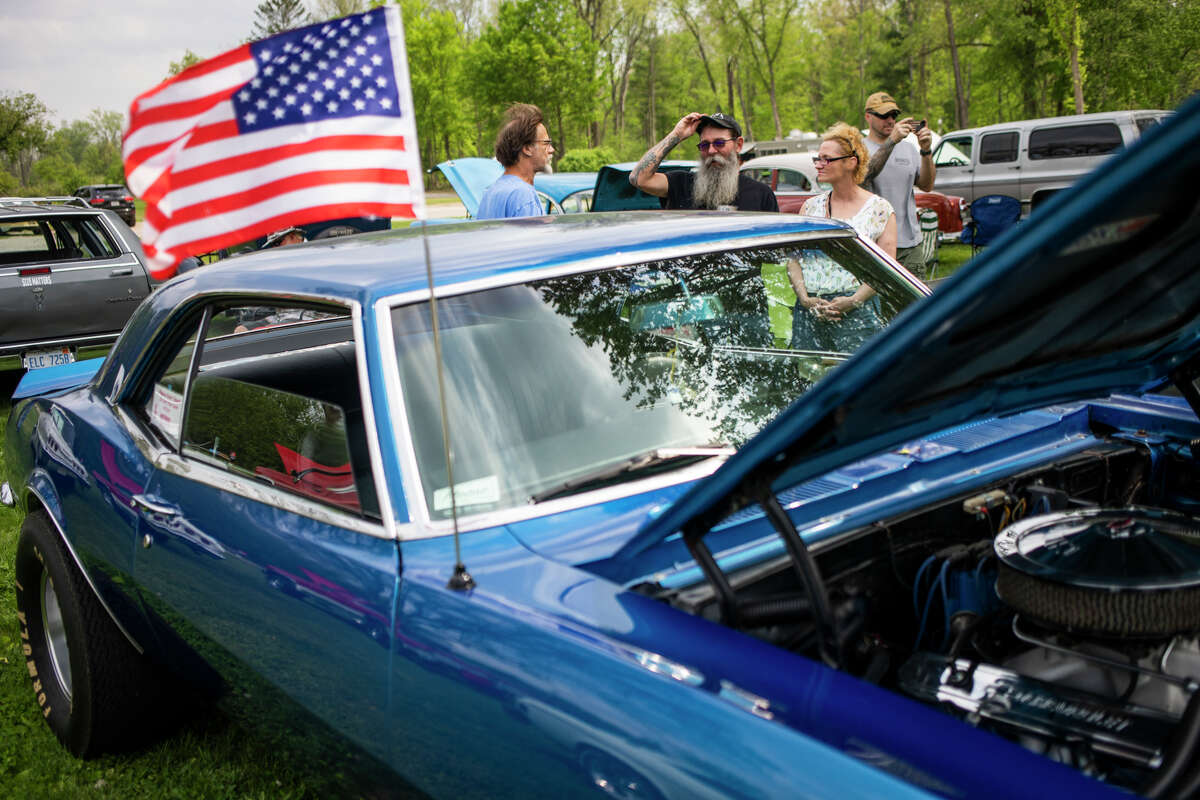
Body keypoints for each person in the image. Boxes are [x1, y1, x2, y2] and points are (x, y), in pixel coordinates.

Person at [788, 122, 896, 352]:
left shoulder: (880, 209)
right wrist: (806, 299)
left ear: (851, 161)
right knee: (808, 379)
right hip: (810, 310)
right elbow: (793, 259)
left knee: (859, 379)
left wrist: (854, 300)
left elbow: (887, 269)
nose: (819, 165)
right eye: (817, 159)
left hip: (859, 313)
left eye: (827, 159)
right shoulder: (810, 207)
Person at [629, 112, 778, 211]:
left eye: (719, 143)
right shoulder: (682, 184)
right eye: (704, 145)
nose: (711, 151)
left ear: (738, 145)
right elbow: (639, 178)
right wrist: (677, 135)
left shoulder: (761, 194)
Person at [860, 91, 936, 279]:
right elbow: (864, 176)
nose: (890, 120)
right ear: (868, 116)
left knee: (917, 305)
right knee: (880, 306)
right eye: (884, 115)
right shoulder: (859, 148)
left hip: (910, 245)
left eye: (894, 115)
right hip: (873, 243)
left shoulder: (909, 148)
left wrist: (926, 151)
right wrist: (891, 142)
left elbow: (926, 185)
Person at [476, 103, 555, 220]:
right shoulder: (523, 195)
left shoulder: (491, 193)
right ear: (527, 148)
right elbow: (533, 238)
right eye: (546, 143)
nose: (552, 150)